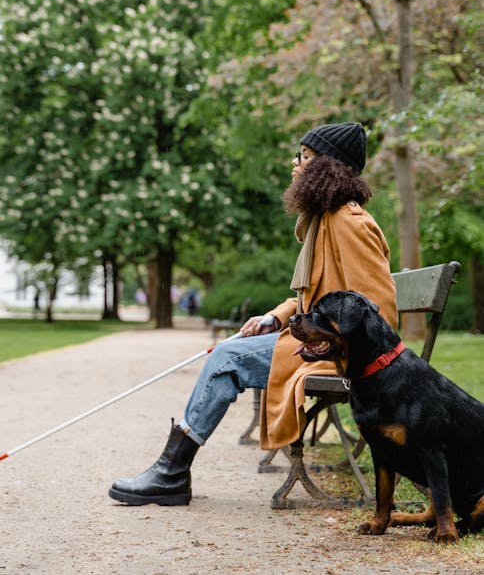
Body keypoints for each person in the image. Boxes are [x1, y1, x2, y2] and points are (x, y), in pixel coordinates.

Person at [108, 122, 398, 507]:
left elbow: (376, 311)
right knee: (230, 351)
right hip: (320, 347)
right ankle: (172, 472)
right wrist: (275, 317)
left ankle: (171, 473)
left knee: (227, 358)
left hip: (341, 360)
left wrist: (326, 347)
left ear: (328, 167)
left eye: (304, 157)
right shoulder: (327, 221)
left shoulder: (349, 223)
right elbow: (323, 297)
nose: (294, 163)